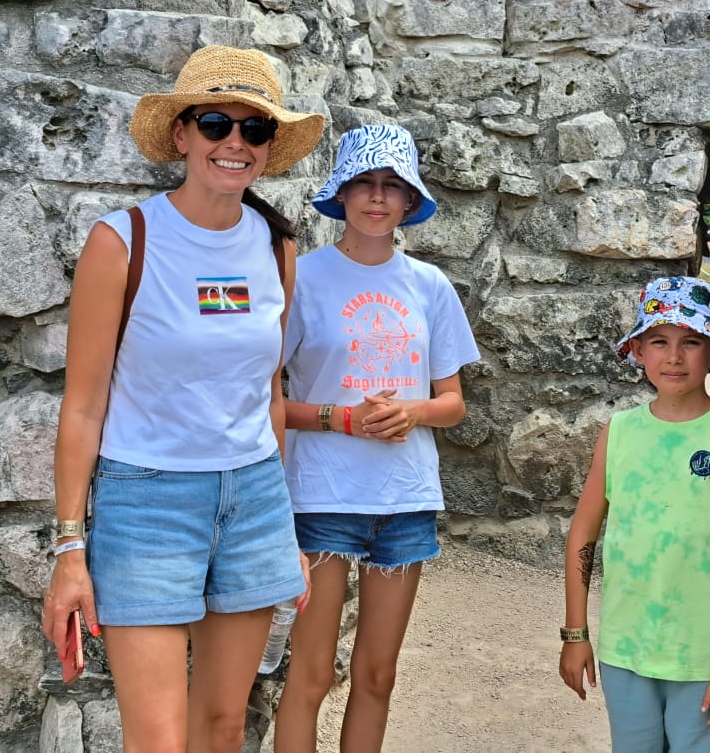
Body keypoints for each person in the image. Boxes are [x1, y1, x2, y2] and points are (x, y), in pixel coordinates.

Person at [42, 46, 324, 751]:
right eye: (215, 123)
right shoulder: (123, 241)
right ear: (182, 135)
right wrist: (70, 549)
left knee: (224, 726)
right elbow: (81, 406)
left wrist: (282, 527)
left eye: (254, 130)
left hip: (254, 498)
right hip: (148, 502)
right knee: (160, 740)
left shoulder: (276, 244)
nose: (235, 142)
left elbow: (268, 388)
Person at [274, 124, 481, 753]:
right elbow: (266, 399)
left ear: (410, 201)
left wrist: (412, 414)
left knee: (378, 675)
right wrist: (342, 419)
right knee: (308, 675)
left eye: (392, 185)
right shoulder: (302, 279)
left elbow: (453, 404)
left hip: (404, 497)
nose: (376, 196)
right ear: (340, 193)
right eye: (363, 181)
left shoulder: (430, 286)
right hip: (322, 495)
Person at [560, 277, 710, 753]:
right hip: (625, 651)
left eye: (690, 342)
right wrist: (576, 634)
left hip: (704, 659)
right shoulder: (619, 433)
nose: (674, 356)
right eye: (659, 340)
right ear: (637, 349)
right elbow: (582, 536)